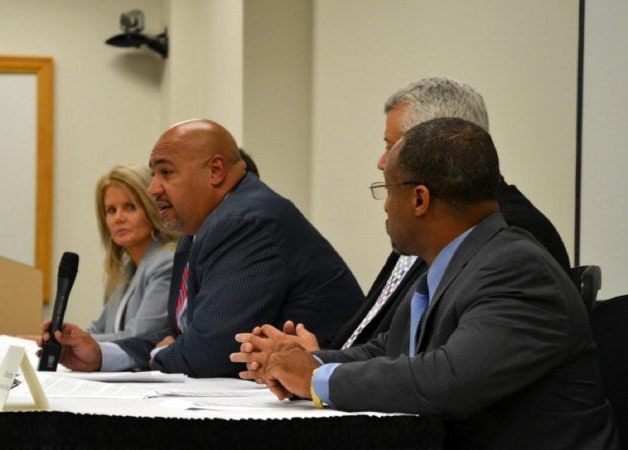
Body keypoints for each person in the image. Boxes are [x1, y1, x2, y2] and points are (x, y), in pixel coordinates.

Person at [253, 118, 618, 449]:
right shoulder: (461, 260)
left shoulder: (517, 269)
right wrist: (299, 362)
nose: (384, 208)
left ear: (419, 199)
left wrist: (317, 379)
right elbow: (391, 351)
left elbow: (448, 380)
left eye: (387, 189)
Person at [231, 77, 572, 362]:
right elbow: (394, 340)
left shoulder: (507, 234)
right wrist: (316, 360)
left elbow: (441, 369)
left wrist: (320, 375)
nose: (382, 162)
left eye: (392, 146)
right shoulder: (430, 225)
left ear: (437, 144)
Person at [41, 119, 364, 377]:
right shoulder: (196, 229)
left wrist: (163, 352)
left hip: (329, 400)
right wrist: (101, 355)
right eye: (153, 174)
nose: (153, 189)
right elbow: (177, 333)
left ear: (215, 171)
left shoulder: (245, 221)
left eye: (165, 172)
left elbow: (210, 353)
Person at [87, 165, 179, 342]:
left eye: (129, 207)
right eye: (111, 210)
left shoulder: (166, 262)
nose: (118, 218)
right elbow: (98, 330)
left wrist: (72, 346)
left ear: (152, 210)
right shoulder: (123, 270)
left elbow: (138, 337)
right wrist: (58, 339)